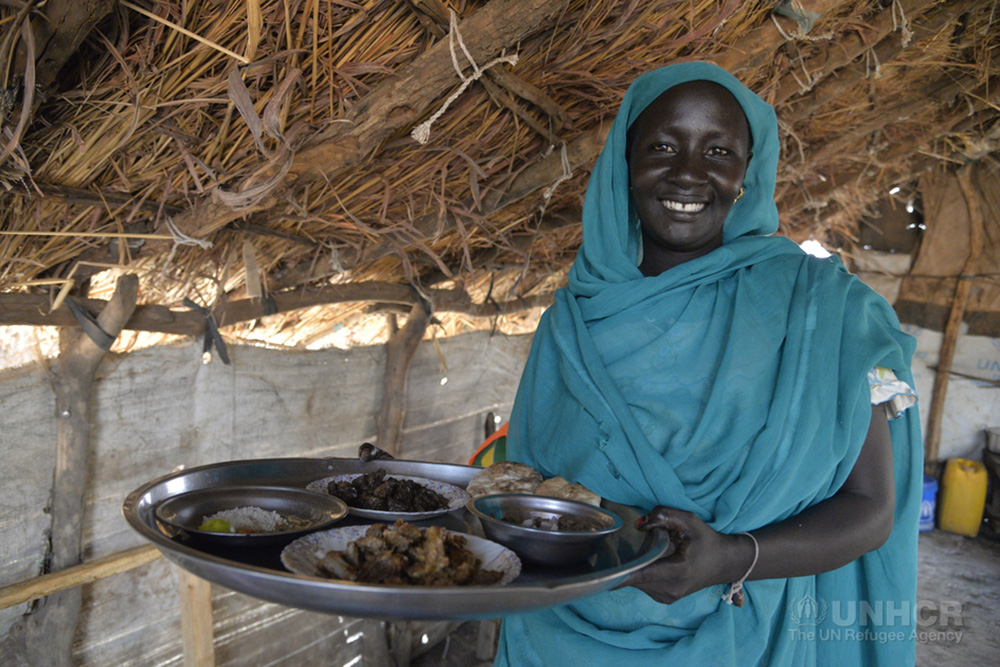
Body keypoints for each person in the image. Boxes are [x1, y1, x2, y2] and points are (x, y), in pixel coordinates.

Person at [494, 62, 921, 666]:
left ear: (749, 170)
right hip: (560, 637)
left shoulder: (825, 312)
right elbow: (527, 499)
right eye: (662, 146)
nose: (688, 173)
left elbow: (871, 506)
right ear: (625, 162)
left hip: (749, 634)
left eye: (718, 150)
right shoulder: (571, 324)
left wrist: (729, 557)